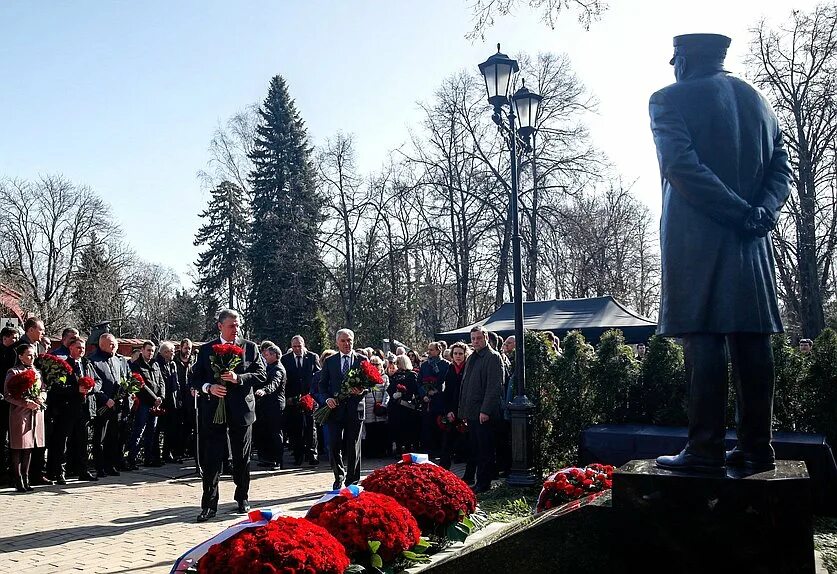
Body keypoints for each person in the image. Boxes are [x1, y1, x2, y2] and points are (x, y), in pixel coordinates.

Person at [650, 34, 792, 474]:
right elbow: (780, 171)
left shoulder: (667, 99)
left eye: (676, 60)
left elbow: (682, 167)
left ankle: (704, 448)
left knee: (704, 335)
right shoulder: (760, 104)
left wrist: (737, 212)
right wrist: (761, 213)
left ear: (685, 60)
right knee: (752, 339)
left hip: (699, 239)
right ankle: (757, 447)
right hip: (752, 241)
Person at [192, 309, 266, 522]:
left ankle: (242, 497)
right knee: (212, 458)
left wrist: (239, 378)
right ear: (220, 326)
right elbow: (195, 379)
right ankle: (209, 505)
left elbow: (261, 374)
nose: (236, 329)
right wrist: (208, 387)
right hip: (214, 410)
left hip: (241, 409)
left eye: (237, 325)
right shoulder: (206, 350)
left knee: (242, 457)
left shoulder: (250, 347)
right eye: (231, 325)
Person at [317, 328, 368, 490]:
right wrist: (327, 398)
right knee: (334, 444)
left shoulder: (361, 359)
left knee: (353, 446)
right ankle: (338, 475)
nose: (347, 344)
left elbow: (370, 383)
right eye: (343, 341)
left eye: (349, 341)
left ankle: (352, 480)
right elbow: (322, 385)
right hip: (335, 410)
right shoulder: (330, 361)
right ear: (337, 342)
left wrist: (362, 390)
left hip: (355, 409)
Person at [458, 325, 504, 493]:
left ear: (485, 337)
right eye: (473, 339)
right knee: (476, 449)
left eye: (478, 338)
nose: (475, 342)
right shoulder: (472, 358)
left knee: (485, 450)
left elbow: (494, 387)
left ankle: (484, 484)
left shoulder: (493, 357)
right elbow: (466, 386)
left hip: (483, 413)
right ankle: (478, 480)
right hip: (471, 412)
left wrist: (485, 410)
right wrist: (463, 411)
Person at [46, 336, 95, 483]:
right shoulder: (63, 365)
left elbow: (96, 381)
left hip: (84, 408)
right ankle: (60, 472)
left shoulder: (87, 364)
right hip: (67, 409)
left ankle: (83, 470)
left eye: (83, 348)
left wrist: (91, 388)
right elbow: (57, 387)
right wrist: (76, 389)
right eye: (79, 348)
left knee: (82, 441)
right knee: (63, 442)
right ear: (71, 348)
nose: (82, 351)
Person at [5, 343, 46, 492]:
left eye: (34, 354)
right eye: (29, 354)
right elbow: (8, 395)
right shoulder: (13, 371)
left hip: (36, 413)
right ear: (21, 356)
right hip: (20, 414)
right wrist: (25, 402)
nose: (32, 357)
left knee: (29, 448)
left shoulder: (37, 371)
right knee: (18, 447)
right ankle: (18, 479)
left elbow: (43, 389)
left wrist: (41, 398)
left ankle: (26, 478)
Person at [90, 333, 131, 478]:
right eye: (111, 344)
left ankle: (110, 464)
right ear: (102, 345)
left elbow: (122, 378)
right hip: (102, 405)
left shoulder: (117, 360)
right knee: (100, 437)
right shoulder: (93, 361)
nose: (114, 346)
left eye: (115, 344)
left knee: (113, 437)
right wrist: (105, 398)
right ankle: (99, 466)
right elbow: (94, 383)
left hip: (116, 404)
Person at [15, 317, 50, 485]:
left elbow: (41, 379)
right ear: (30, 330)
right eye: (40, 329)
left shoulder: (39, 347)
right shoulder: (19, 348)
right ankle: (20, 477)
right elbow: (13, 383)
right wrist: (26, 399)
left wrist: (41, 396)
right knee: (21, 445)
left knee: (36, 442)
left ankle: (34, 474)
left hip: (37, 405)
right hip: (21, 407)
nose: (43, 333)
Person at [280, 335, 321, 466]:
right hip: (293, 399)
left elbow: (319, 376)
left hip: (309, 397)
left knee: (311, 426)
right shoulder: (285, 359)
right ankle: (298, 455)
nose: (297, 349)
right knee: (295, 428)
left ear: (304, 345)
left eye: (299, 346)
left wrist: (313, 394)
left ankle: (312, 454)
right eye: (294, 347)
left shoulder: (312, 357)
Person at [126, 341, 165, 470]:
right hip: (144, 403)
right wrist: (154, 398)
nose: (150, 353)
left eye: (152, 351)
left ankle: (149, 459)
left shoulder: (156, 364)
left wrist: (161, 397)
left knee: (152, 433)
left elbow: (161, 382)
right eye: (148, 350)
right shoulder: (136, 365)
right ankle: (132, 459)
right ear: (142, 350)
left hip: (156, 404)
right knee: (139, 431)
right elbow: (141, 385)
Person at [441, 341, 474, 480]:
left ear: (465, 354)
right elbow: (447, 392)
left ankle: (469, 476)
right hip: (452, 412)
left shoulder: (469, 368)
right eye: (455, 354)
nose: (458, 356)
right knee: (447, 443)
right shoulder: (450, 369)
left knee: (468, 445)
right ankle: (442, 472)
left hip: (466, 411)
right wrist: (448, 410)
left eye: (460, 353)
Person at [255, 343, 287, 470]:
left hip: (275, 406)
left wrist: (264, 391)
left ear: (275, 355)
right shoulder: (268, 367)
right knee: (266, 432)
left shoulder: (278, 369)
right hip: (265, 406)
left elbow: (274, 383)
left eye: (267, 355)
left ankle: (278, 461)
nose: (265, 357)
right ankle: (267, 459)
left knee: (275, 433)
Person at [418, 341, 449, 458]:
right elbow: (419, 382)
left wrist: (437, 391)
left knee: (440, 425)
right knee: (428, 426)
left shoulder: (445, 364)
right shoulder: (425, 365)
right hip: (427, 402)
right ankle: (429, 451)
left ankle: (440, 450)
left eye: (431, 350)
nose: (429, 352)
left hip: (440, 401)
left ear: (438, 350)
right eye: (428, 350)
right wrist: (424, 394)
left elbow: (446, 381)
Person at [387, 355, 420, 456]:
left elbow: (414, 389)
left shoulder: (411, 374)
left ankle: (409, 447)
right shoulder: (395, 375)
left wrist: (405, 394)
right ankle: (398, 447)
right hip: (396, 406)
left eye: (398, 362)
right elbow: (390, 388)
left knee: (408, 426)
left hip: (407, 406)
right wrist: (394, 394)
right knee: (397, 426)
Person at [156, 341, 183, 464]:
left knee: (171, 429)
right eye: (168, 351)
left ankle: (168, 453)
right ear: (163, 353)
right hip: (162, 401)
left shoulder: (173, 364)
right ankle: (155, 455)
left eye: (172, 351)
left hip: (173, 401)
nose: (171, 353)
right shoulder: (158, 364)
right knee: (157, 430)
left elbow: (176, 384)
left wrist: (178, 399)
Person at [0, 326, 20, 485]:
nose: (16, 341)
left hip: (11, 399)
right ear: (5, 338)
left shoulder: (15, 353)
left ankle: (10, 471)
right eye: (13, 338)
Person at [362, 356, 390, 458]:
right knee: (370, 431)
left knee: (380, 431)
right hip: (368, 409)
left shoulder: (384, 377)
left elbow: (387, 393)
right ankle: (370, 453)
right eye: (372, 364)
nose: (374, 366)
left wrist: (383, 405)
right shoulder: (365, 377)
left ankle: (381, 452)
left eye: (377, 364)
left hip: (380, 409)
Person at [174, 339, 196, 458]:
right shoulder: (174, 361)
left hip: (191, 398)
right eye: (185, 348)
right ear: (181, 348)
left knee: (190, 425)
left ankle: (189, 450)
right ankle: (177, 451)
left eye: (189, 348)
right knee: (178, 426)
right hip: (177, 396)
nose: (188, 351)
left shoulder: (194, 361)